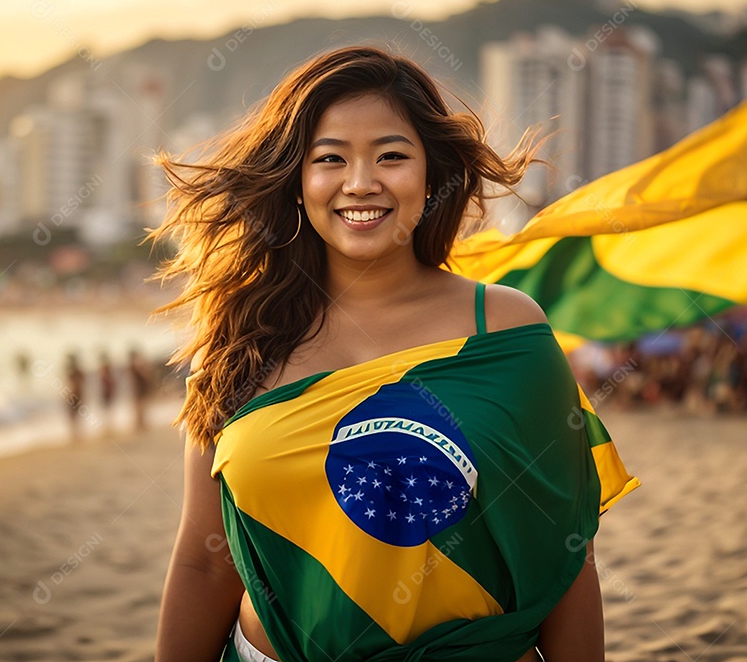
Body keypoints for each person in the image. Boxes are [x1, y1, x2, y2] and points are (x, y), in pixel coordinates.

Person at [151, 47, 638, 662]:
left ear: (431, 175)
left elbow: (563, 547)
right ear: (297, 182)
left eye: (391, 156)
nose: (361, 182)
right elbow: (205, 559)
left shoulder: (505, 329)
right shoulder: (238, 349)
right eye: (330, 158)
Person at [127, 349, 152, 432]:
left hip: (138, 391)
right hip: (138, 391)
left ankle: (140, 424)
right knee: (139, 409)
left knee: (139, 409)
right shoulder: (135, 367)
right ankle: (140, 424)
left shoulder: (134, 367)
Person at [64, 352, 85, 440]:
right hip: (76, 394)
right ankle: (76, 432)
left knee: (74, 415)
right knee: (75, 415)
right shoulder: (77, 371)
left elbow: (71, 384)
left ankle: (75, 432)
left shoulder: (73, 372)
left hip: (74, 394)